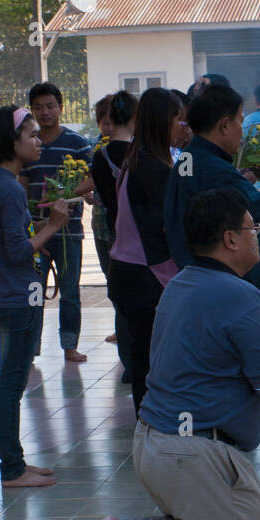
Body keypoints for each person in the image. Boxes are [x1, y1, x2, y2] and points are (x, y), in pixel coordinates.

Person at [89, 188, 260, 520]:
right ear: (230, 239)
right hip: (190, 452)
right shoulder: (240, 296)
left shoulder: (182, 283)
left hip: (158, 443)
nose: (257, 234)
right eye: (252, 227)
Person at [0, 106, 70, 488]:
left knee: (12, 382)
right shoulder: (8, 187)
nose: (39, 140)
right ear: (12, 143)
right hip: (17, 293)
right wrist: (55, 226)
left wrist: (43, 222)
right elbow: (16, 251)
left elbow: (14, 235)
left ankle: (16, 462)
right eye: (31, 135)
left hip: (7, 291)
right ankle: (11, 468)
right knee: (12, 383)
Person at [164, 83, 260, 300]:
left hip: (197, 274)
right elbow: (259, 212)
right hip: (224, 284)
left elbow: (196, 191)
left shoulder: (189, 157)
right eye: (239, 119)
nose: (242, 128)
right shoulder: (213, 168)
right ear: (225, 125)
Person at [105, 87, 185, 411]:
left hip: (126, 272)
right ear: (163, 122)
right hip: (145, 275)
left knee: (142, 357)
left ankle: (148, 430)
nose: (183, 127)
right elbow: (168, 227)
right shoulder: (155, 168)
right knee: (154, 362)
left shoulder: (135, 160)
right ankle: (153, 430)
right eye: (179, 120)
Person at [24, 81, 93, 363]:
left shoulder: (77, 144)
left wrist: (63, 193)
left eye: (50, 106)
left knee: (70, 291)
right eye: (38, 107)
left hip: (68, 230)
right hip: (36, 231)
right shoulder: (30, 144)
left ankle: (69, 346)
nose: (45, 112)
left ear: (61, 108)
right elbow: (22, 181)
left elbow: (91, 178)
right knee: (33, 292)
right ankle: (31, 348)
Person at [88, 91, 138, 364]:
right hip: (138, 238)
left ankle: (128, 362)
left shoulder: (99, 156)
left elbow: (103, 196)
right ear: (132, 117)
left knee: (119, 295)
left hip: (112, 232)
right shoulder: (140, 153)